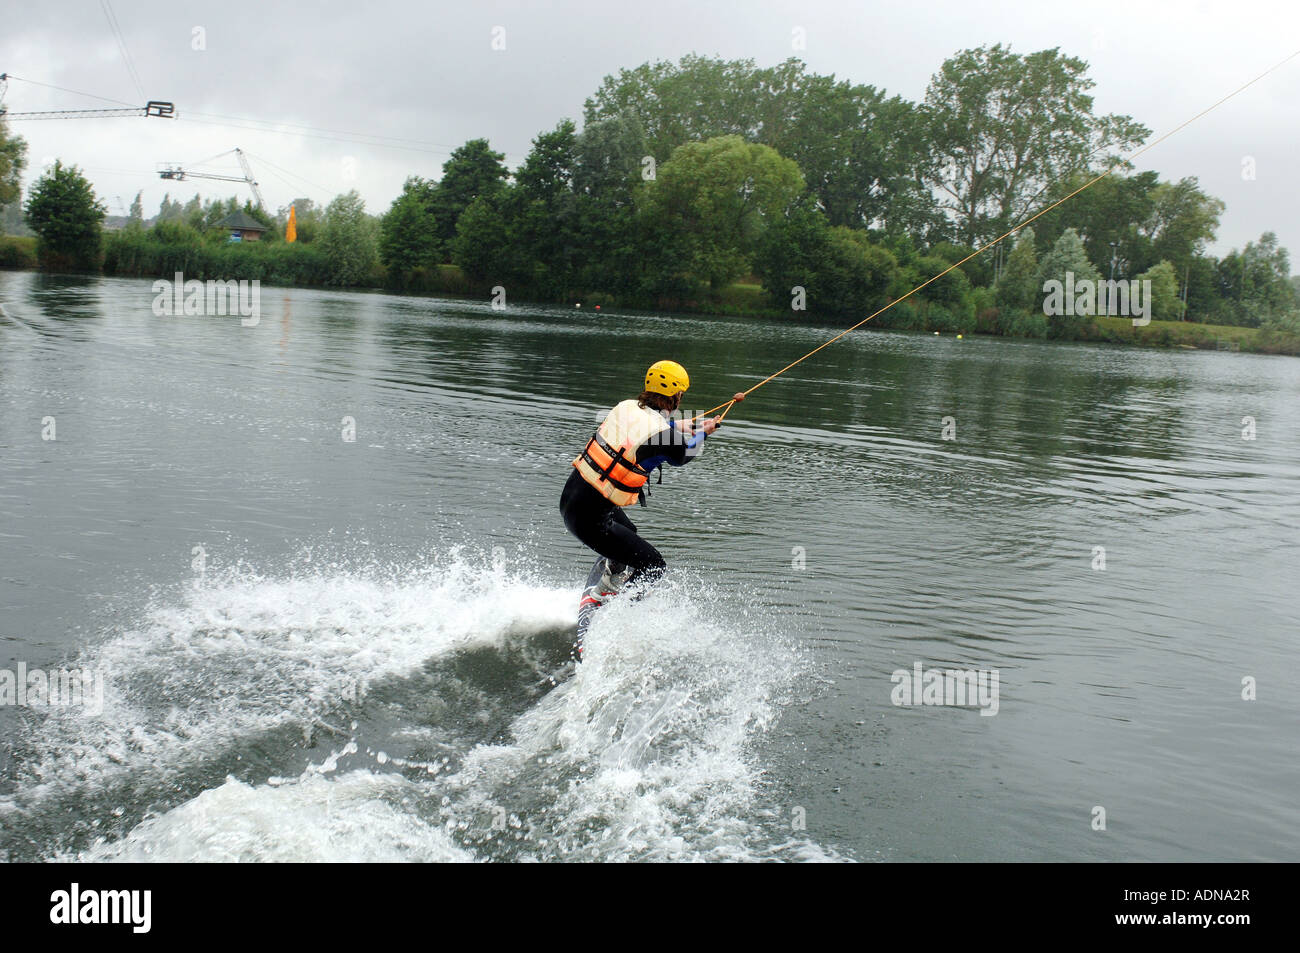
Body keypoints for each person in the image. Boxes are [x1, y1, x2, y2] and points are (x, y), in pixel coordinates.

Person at [560, 360, 743, 660]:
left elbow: (655, 430)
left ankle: (609, 579)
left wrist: (690, 425)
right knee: (654, 565)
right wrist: (706, 432)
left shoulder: (627, 406)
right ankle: (616, 616)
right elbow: (682, 454)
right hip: (590, 520)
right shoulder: (662, 433)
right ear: (677, 396)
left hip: (571, 499)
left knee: (628, 533)